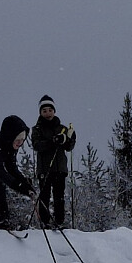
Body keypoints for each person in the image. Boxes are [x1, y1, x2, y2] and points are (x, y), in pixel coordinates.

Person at [31, 95, 76, 228]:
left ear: (54, 111)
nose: (48, 113)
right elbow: (36, 145)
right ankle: (45, 222)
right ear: (40, 112)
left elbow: (69, 147)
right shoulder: (37, 129)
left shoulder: (62, 128)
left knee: (59, 196)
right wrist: (53, 141)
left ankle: (59, 222)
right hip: (44, 168)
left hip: (59, 168)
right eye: (44, 111)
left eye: (50, 110)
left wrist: (70, 138)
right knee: (44, 195)